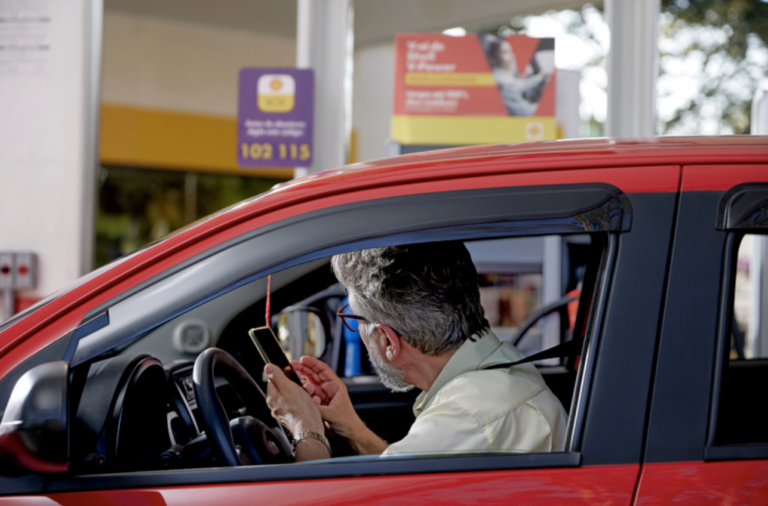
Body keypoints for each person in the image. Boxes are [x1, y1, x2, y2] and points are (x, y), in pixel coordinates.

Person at [265, 242, 567, 461]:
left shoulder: (465, 417)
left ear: (387, 340)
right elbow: (406, 478)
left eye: (354, 319)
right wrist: (353, 429)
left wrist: (306, 430)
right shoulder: (504, 370)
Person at [482, 35, 550, 116]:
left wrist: (540, 77)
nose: (512, 56)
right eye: (505, 52)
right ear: (492, 59)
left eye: (511, 51)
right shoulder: (504, 82)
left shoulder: (499, 76)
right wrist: (543, 107)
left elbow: (521, 85)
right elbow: (526, 112)